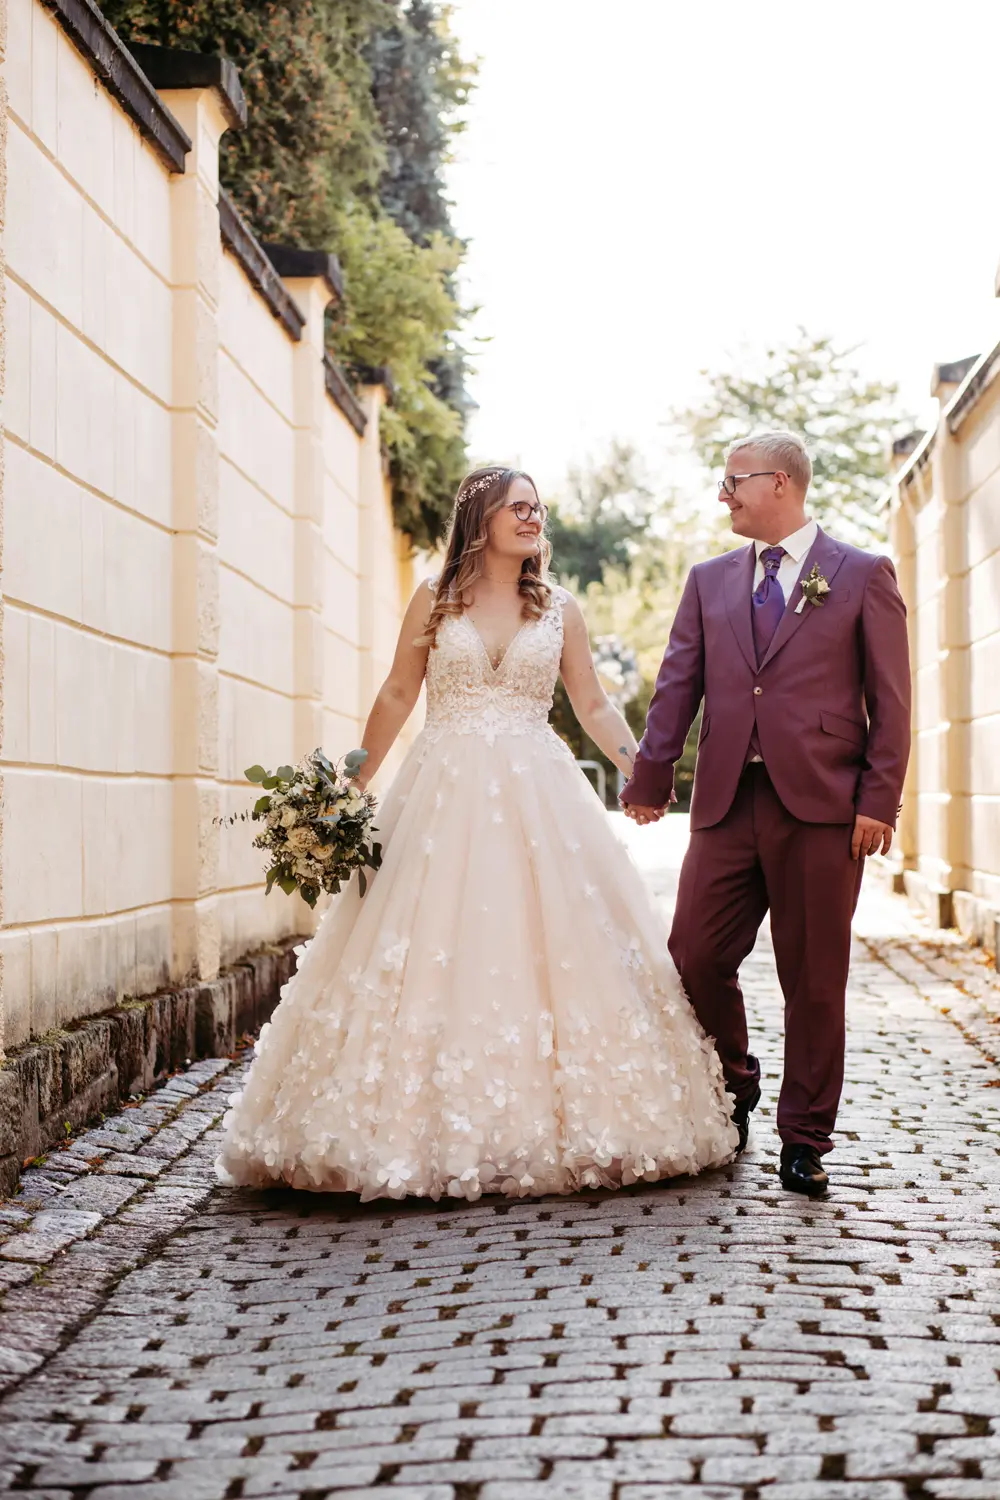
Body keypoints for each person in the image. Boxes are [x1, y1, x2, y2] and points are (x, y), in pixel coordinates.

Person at [216, 466, 737, 1200]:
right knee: (422, 943)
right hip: (440, 793)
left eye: (538, 507)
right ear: (482, 520)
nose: (533, 518)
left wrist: (638, 767)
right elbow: (401, 690)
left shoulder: (561, 608)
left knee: (554, 942)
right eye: (518, 508)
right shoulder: (434, 599)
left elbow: (591, 702)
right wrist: (351, 781)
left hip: (540, 796)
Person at [621, 431, 911, 1198]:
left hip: (822, 807)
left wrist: (878, 800)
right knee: (694, 957)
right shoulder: (708, 580)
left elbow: (892, 701)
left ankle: (804, 1138)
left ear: (780, 483)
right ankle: (736, 1077)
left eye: (734, 481)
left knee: (814, 980)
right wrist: (652, 776)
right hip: (725, 802)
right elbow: (676, 685)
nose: (724, 495)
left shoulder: (861, 574)